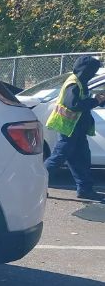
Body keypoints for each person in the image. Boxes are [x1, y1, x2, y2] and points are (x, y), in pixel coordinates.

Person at [43, 55, 105, 200]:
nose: (93, 74)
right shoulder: (74, 84)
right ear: (86, 70)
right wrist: (95, 100)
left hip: (77, 129)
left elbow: (81, 102)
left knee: (81, 159)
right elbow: (74, 105)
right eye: (92, 71)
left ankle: (85, 189)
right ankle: (35, 184)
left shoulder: (80, 81)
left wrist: (97, 100)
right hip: (68, 129)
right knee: (57, 159)